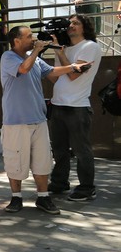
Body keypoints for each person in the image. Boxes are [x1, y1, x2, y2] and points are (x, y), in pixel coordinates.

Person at [1, 26, 91, 214]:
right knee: (15, 159)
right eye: (28, 37)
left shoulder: (36, 59)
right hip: (16, 121)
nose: (33, 39)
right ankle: (16, 198)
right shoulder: (8, 57)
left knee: (42, 161)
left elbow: (52, 71)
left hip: (39, 119)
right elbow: (23, 69)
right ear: (16, 41)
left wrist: (74, 67)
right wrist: (36, 50)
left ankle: (43, 197)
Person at [47, 15, 102, 201]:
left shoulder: (90, 47)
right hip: (58, 105)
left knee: (81, 151)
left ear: (85, 28)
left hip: (77, 107)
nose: (71, 26)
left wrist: (60, 53)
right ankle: (59, 183)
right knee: (59, 150)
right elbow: (54, 77)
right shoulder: (65, 49)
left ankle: (87, 188)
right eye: (70, 23)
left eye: (76, 23)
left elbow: (73, 75)